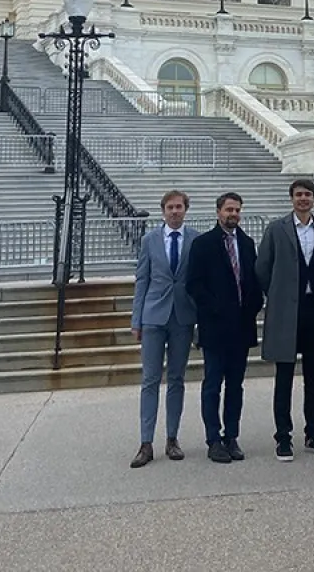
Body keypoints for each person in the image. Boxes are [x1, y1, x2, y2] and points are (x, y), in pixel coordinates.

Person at [257, 178, 314, 460]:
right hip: (287, 311)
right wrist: (278, 295)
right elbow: (263, 267)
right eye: (299, 195)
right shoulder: (276, 229)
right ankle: (283, 437)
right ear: (291, 198)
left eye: (308, 195)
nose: (303, 199)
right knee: (284, 376)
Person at [184, 191, 263, 463]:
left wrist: (252, 307)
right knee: (212, 384)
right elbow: (193, 284)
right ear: (218, 212)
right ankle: (213, 439)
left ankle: (232, 436)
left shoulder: (248, 243)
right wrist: (215, 309)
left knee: (236, 386)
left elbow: (253, 281)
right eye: (229, 210)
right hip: (215, 326)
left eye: (237, 210)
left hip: (241, 327)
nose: (233, 215)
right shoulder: (203, 244)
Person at [130, 190, 198, 468]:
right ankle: (146, 442)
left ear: (185, 210)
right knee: (150, 380)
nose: (174, 211)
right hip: (154, 316)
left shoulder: (195, 239)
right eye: (170, 207)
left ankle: (172, 438)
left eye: (179, 207)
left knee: (177, 379)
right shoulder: (150, 240)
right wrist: (136, 320)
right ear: (163, 211)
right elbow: (141, 280)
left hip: (182, 316)